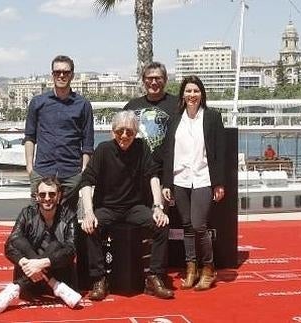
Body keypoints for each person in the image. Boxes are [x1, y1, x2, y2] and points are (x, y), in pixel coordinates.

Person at [79, 110, 174, 301]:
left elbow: (153, 176)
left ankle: (154, 276)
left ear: (136, 133)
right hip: (107, 207)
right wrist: (88, 212)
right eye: (120, 131)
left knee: (162, 225)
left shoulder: (142, 147)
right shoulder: (103, 150)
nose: (124, 136)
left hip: (134, 208)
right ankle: (99, 279)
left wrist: (158, 207)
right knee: (90, 227)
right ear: (113, 132)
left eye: (129, 132)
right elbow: (86, 182)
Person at [161, 75, 225, 291]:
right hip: (180, 179)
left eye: (196, 91)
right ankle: (191, 269)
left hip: (203, 178)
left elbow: (219, 153)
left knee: (199, 225)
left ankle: (209, 269)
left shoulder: (212, 117)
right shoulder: (175, 118)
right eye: (188, 91)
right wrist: (167, 183)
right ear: (182, 95)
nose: (192, 95)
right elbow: (168, 152)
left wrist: (219, 183)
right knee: (187, 226)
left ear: (202, 94)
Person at [0, 176, 81, 314]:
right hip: (32, 282)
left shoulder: (69, 216)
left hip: (60, 274)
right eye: (42, 194)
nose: (47, 198)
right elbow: (9, 246)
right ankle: (53, 284)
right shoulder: (27, 213)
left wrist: (42, 263)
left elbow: (71, 250)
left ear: (59, 196)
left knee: (56, 245)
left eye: (52, 194)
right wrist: (30, 264)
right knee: (17, 240)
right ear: (36, 197)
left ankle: (15, 288)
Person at [24, 55, 94, 208]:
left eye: (65, 72)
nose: (61, 75)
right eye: (57, 72)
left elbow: (87, 143)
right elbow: (30, 137)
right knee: (36, 222)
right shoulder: (38, 103)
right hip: (42, 172)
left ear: (72, 75)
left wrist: (82, 173)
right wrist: (30, 168)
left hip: (71, 175)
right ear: (52, 75)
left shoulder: (83, 105)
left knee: (67, 222)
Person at [124, 62, 178, 204]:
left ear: (165, 80)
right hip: (136, 173)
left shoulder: (177, 104)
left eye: (158, 78)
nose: (153, 82)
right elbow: (117, 134)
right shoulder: (132, 106)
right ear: (143, 80)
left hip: (164, 174)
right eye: (149, 78)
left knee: (159, 217)